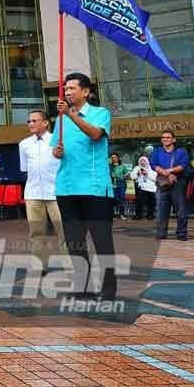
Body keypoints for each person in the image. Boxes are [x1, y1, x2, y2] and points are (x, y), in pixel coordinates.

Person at [50, 72, 117, 300]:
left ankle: (108, 289)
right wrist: (56, 152)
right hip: (66, 188)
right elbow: (55, 149)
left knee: (102, 241)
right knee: (74, 243)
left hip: (94, 188)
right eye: (65, 89)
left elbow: (96, 135)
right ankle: (83, 285)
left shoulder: (100, 113)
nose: (67, 92)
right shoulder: (59, 120)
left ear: (86, 91)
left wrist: (70, 115)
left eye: (72, 88)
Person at [18, 109, 62, 275]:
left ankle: (72, 265)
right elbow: (24, 169)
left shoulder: (57, 141)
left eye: (35, 120)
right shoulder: (24, 144)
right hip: (33, 193)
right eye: (29, 121)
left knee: (64, 231)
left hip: (56, 193)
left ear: (45, 123)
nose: (31, 124)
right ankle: (39, 266)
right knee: (36, 233)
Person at [150, 130, 191, 241]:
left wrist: (170, 171)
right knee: (161, 209)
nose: (165, 139)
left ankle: (181, 234)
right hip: (162, 183)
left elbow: (184, 165)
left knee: (181, 210)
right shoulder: (157, 151)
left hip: (178, 182)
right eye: (163, 137)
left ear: (174, 139)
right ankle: (161, 233)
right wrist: (167, 174)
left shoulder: (181, 151)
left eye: (168, 137)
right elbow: (153, 165)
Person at [131, 155, 157, 221]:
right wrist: (138, 174)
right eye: (141, 161)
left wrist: (147, 174)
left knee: (151, 202)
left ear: (147, 162)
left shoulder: (151, 168)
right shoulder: (137, 168)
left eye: (144, 161)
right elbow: (132, 177)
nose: (143, 162)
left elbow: (155, 178)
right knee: (139, 202)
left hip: (151, 188)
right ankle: (138, 215)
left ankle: (150, 215)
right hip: (141, 188)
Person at [109, 154, 130, 220]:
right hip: (112, 183)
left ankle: (122, 214)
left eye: (115, 157)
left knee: (122, 198)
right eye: (112, 158)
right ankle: (113, 215)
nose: (113, 159)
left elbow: (127, 174)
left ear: (118, 158)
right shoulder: (109, 166)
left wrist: (125, 176)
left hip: (121, 183)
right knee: (114, 199)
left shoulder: (122, 166)